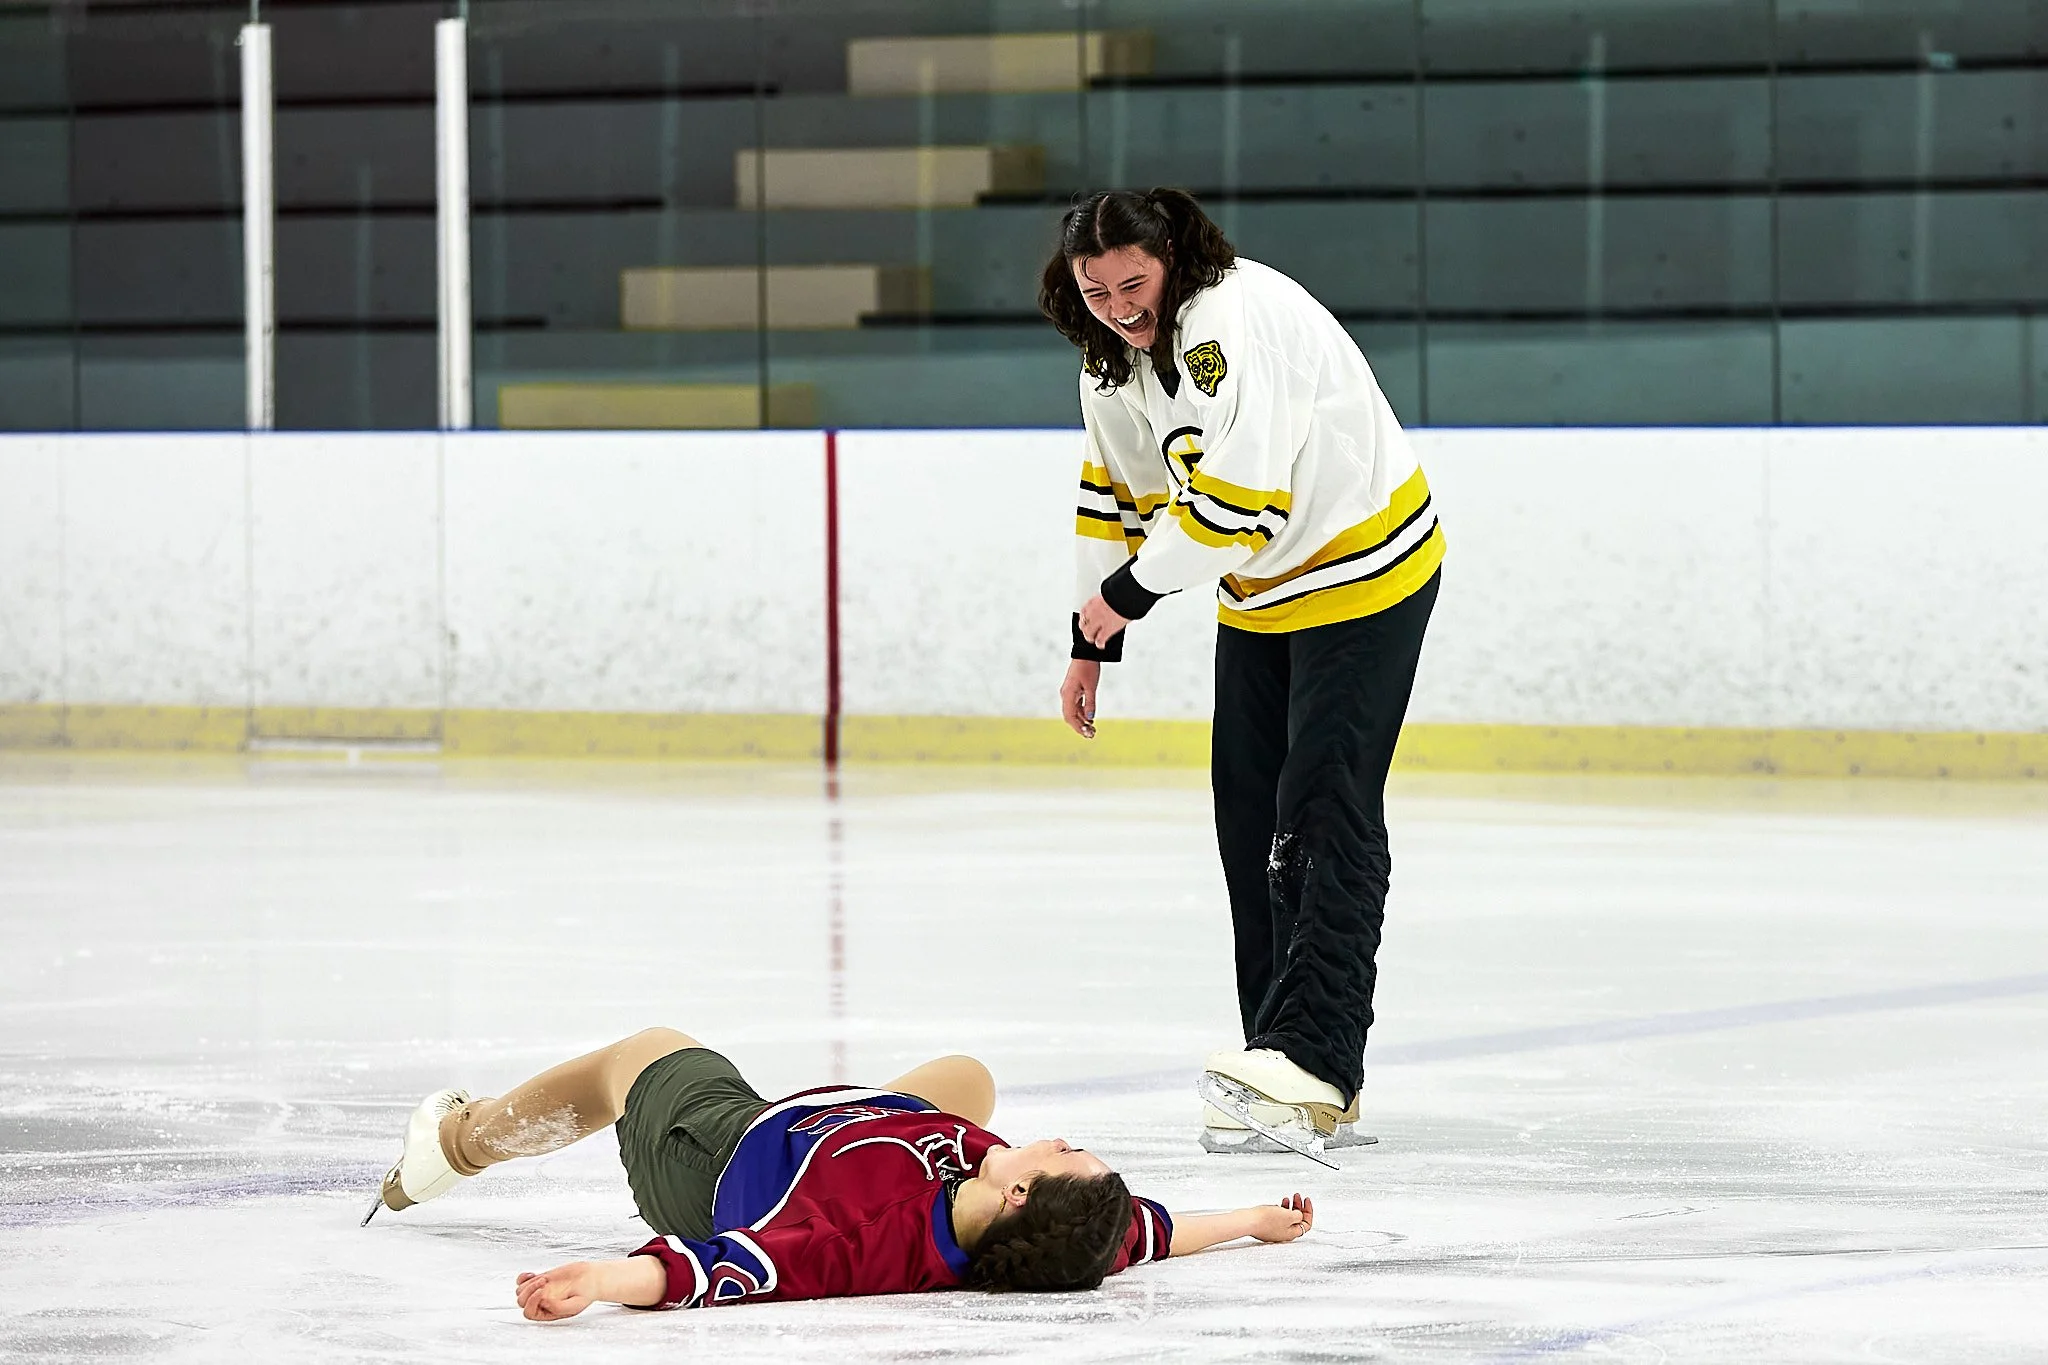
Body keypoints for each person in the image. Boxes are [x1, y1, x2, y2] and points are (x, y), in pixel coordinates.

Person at [1038, 189, 1444, 1158]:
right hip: (1259, 595)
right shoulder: (1109, 366)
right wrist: (1090, 643)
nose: (1117, 306)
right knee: (1248, 822)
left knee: (1323, 808)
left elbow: (1239, 504)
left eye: (1132, 282)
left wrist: (1126, 599)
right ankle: (1280, 1053)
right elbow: (1115, 498)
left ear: (1174, 257)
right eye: (1094, 290)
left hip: (1366, 574)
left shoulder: (1228, 321)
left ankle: (1316, 1060)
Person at [364, 1027, 1316, 1317]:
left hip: (719, 1155)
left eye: (1062, 1153)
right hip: (834, 1135)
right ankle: (833, 1121)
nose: (1057, 1136)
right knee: (969, 1077)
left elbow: (740, 1267)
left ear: (1021, 1193)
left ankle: (456, 1147)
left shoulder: (870, 1239)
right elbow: (1145, 1231)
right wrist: (1249, 1220)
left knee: (645, 1053)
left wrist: (607, 1279)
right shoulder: (1051, 1223)